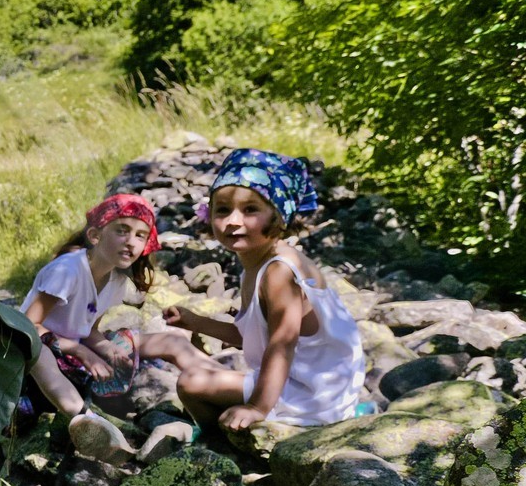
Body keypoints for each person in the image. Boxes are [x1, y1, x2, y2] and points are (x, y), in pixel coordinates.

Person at [167, 148, 366, 435]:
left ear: (279, 218)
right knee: (197, 374)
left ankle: (220, 447)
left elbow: (282, 343)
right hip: (306, 382)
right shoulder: (257, 264)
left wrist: (257, 407)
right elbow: (253, 337)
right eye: (222, 210)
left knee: (191, 383)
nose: (233, 220)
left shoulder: (279, 271)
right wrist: (194, 322)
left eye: (250, 210)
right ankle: (228, 436)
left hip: (315, 395)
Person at [20, 193, 207, 462]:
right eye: (122, 231)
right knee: (42, 354)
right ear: (95, 235)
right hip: (36, 349)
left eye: (141, 236)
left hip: (73, 352)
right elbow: (27, 326)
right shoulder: (67, 270)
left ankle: (218, 382)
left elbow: (88, 330)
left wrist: (107, 348)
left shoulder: (116, 280)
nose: (131, 241)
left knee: (171, 341)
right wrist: (82, 352)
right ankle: (86, 420)